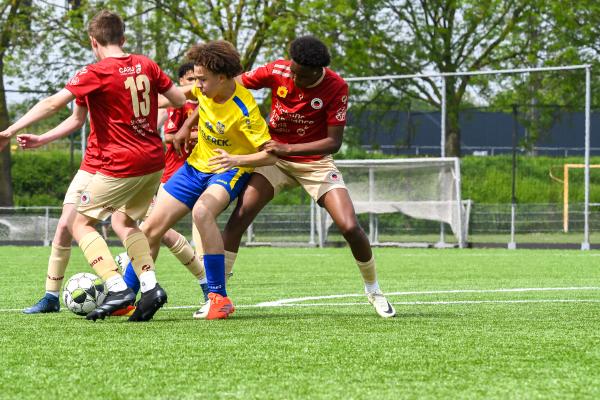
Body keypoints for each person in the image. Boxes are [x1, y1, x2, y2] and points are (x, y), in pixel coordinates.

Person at [0, 10, 186, 322]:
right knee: (125, 224)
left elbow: (51, 104)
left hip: (120, 163)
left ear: (93, 42)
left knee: (79, 223)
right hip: (153, 160)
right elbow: (179, 98)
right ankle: (150, 287)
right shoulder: (147, 64)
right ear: (123, 38)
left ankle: (115, 286)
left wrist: (9, 130)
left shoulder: (95, 72)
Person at [221, 36, 396, 318]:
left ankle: (374, 290)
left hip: (314, 163)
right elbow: (231, 84)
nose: (291, 75)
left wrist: (288, 147)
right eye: (291, 68)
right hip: (273, 160)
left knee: (350, 226)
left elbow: (333, 142)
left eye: (299, 74)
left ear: (317, 71)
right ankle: (219, 295)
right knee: (239, 217)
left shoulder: (336, 87)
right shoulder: (278, 70)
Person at [126, 40, 275, 320]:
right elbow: (198, 103)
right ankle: (126, 294)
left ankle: (219, 297)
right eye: (195, 78)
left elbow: (270, 156)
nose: (198, 85)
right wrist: (184, 126)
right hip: (194, 167)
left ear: (222, 78)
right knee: (151, 228)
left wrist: (236, 160)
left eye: (202, 80)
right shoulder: (206, 89)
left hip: (228, 170)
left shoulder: (245, 109)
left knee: (203, 211)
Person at [118, 62, 210, 303]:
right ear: (180, 83)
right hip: (173, 174)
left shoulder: (210, 103)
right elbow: (169, 135)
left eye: (198, 79)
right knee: (158, 232)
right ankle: (140, 285)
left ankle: (132, 286)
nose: (194, 84)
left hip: (203, 172)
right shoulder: (178, 106)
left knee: (183, 226)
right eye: (189, 79)